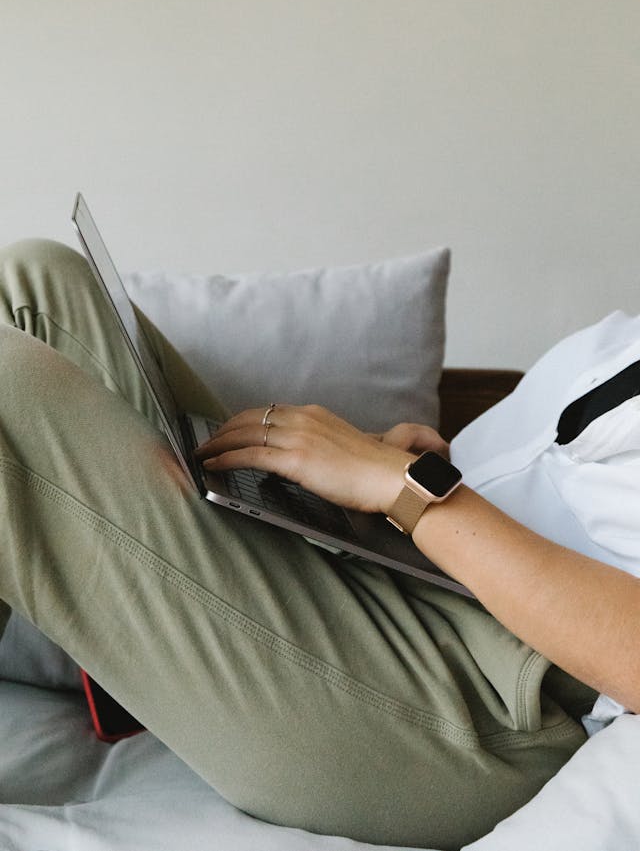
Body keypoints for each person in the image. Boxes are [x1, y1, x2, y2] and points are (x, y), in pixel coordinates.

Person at [0, 237, 638, 850]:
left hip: (490, 704)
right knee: (37, 279)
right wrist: (418, 472)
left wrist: (407, 488)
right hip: (415, 571)